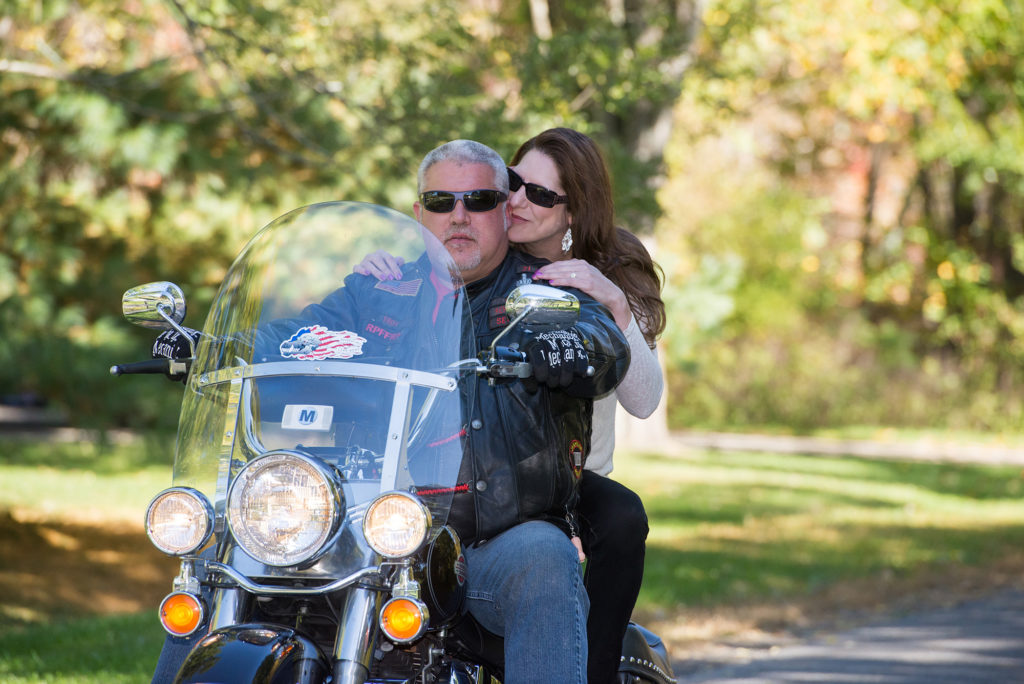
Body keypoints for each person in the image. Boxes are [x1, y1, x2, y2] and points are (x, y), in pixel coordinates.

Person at [150, 139, 630, 684]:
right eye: (441, 201)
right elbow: (297, 335)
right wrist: (210, 344)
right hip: (364, 524)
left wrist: (565, 347)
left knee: (544, 558)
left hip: (488, 538)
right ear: (418, 214)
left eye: (477, 200)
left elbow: (601, 343)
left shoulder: (540, 289)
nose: (459, 216)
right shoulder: (376, 291)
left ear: (504, 209)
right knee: (228, 556)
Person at [358, 128, 666, 684]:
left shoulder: (590, 281)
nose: (521, 201)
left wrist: (611, 306)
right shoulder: (452, 267)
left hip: (561, 473)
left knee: (618, 519)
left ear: (574, 213)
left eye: (542, 196)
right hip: (453, 479)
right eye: (517, 185)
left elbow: (641, 396)